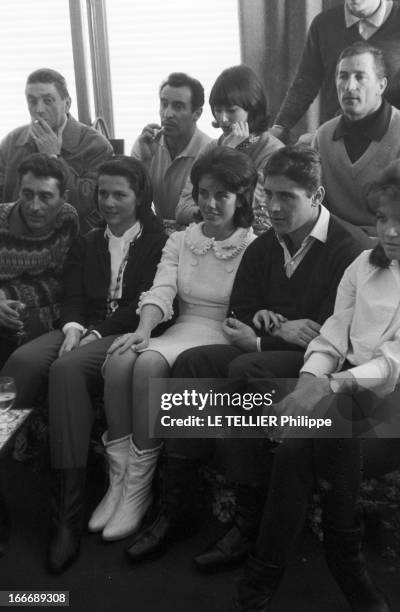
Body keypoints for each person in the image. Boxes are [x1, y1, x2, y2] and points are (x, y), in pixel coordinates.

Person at [125, 145, 371, 569]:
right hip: (275, 350)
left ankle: (249, 519)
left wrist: (266, 335)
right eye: (268, 195)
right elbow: (240, 314)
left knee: (244, 367)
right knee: (192, 364)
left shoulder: (347, 250)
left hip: (323, 365)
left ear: (317, 196)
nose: (273, 207)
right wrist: (279, 327)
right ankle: (177, 509)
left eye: (287, 197)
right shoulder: (266, 248)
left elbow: (332, 335)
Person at [229, 163, 400, 612]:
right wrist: (309, 383)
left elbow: (391, 365)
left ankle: (265, 580)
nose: (390, 230)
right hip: (350, 393)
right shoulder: (364, 265)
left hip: (392, 403)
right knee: (300, 442)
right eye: (383, 218)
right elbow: (331, 337)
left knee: (312, 438)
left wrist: (324, 387)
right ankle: (341, 568)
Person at [0, 156, 167, 574]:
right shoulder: (88, 239)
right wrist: (73, 326)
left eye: (119, 194)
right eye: (103, 193)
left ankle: (66, 517)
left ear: (139, 196)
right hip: (81, 327)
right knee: (22, 362)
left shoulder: (158, 240)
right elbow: (72, 293)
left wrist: (93, 334)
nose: (108, 202)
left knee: (65, 370)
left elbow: (144, 302)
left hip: (124, 332)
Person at [91, 147, 257, 549]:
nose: (210, 204)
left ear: (242, 198)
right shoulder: (181, 240)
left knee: (147, 365)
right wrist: (145, 329)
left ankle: (139, 490)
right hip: (180, 327)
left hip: (221, 335)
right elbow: (163, 286)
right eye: (203, 193)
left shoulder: (254, 245)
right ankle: (119, 481)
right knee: (120, 357)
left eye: (222, 195)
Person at [0, 68, 113, 234]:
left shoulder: (96, 145)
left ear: (67, 104)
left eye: (48, 101)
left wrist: (54, 158)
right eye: (32, 101)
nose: (39, 109)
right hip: (16, 244)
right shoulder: (12, 141)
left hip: (74, 243)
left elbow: (89, 204)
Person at [271, 0, 400, 142]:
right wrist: (280, 126)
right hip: (335, 137)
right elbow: (305, 83)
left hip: (390, 138)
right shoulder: (323, 24)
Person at [176, 65, 283, 227]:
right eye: (218, 110)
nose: (223, 119)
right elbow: (182, 210)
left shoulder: (274, 152)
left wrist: (228, 154)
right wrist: (226, 151)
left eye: (231, 111)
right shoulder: (211, 148)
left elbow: (255, 215)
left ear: (252, 108)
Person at [0, 153, 79, 368]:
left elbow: (64, 283)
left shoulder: (67, 220)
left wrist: (8, 294)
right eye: (27, 194)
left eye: (45, 197)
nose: (35, 206)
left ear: (64, 197)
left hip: (43, 317)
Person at [314, 41, 400, 234]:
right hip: (334, 247)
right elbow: (315, 208)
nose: (349, 86)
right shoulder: (323, 137)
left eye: (360, 77)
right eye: (343, 77)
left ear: (381, 85)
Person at [131, 72, 211, 221]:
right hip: (159, 233)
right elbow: (130, 204)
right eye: (164, 104)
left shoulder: (210, 151)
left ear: (197, 113)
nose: (167, 114)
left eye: (178, 107)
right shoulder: (145, 143)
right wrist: (145, 162)